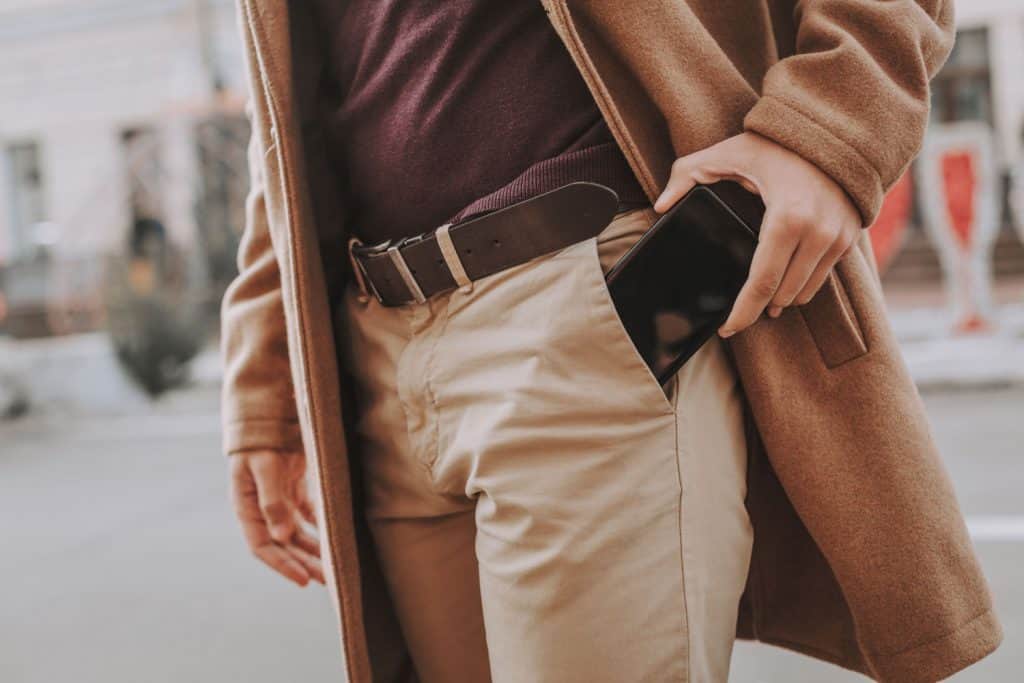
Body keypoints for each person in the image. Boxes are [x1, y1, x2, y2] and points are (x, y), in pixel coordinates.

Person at [222, 2, 1001, 682]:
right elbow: (282, 117)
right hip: (375, 342)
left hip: (588, 299)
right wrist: (266, 374)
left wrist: (830, 126)